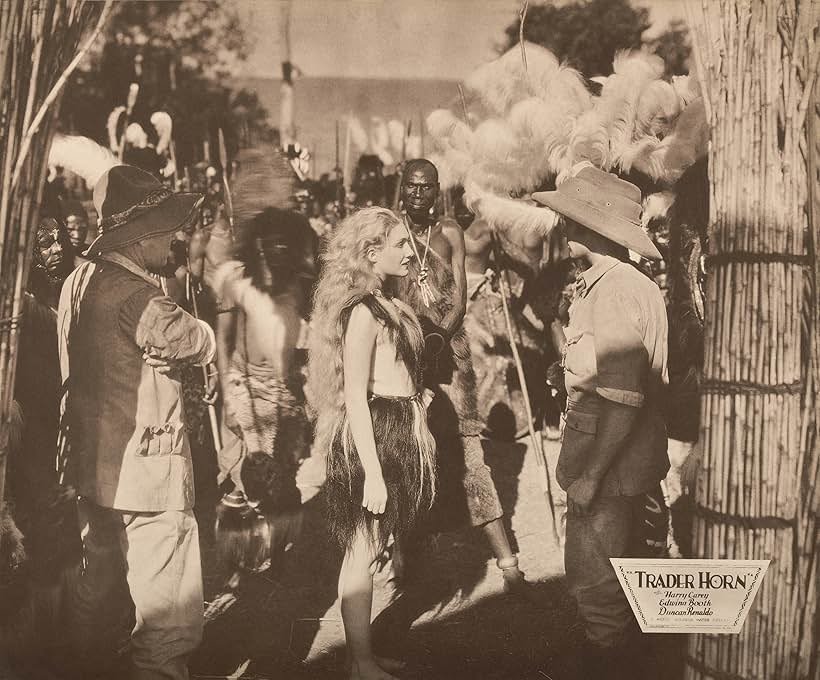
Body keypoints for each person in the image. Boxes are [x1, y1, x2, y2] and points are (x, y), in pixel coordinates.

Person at [58, 165, 216, 680]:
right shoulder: (138, 295)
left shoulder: (78, 281)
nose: (174, 243)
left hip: (92, 471)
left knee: (96, 594)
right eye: (167, 233)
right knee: (169, 619)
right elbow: (187, 340)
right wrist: (206, 342)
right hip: (147, 478)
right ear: (141, 235)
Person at [532, 162, 670, 679]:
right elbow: (612, 372)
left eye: (571, 219)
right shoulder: (620, 284)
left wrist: (591, 476)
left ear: (594, 228)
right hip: (629, 462)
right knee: (632, 576)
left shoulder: (613, 290)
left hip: (608, 466)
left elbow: (621, 399)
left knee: (598, 587)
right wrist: (563, 369)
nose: (564, 228)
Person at [307, 207, 436, 680]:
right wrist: (375, 473)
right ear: (370, 252)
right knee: (360, 549)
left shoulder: (386, 303)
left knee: (372, 545)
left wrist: (414, 396)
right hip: (373, 438)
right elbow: (355, 399)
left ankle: (361, 654)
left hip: (393, 431)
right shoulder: (363, 313)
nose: (410, 251)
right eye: (400, 244)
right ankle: (360, 663)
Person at [392, 159, 525, 586]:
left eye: (425, 188)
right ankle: (405, 552)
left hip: (449, 356)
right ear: (402, 189)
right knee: (407, 451)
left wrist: (437, 342)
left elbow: (461, 299)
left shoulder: (449, 232)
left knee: (469, 453)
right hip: (402, 355)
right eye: (411, 188)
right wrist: (410, 346)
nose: (417, 195)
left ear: (436, 192)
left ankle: (507, 562)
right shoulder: (389, 234)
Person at [212, 207, 310, 578]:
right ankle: (238, 553)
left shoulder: (300, 283)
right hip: (244, 387)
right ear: (259, 243)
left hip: (285, 391)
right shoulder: (236, 281)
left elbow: (306, 338)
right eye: (273, 241)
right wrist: (227, 397)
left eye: (287, 241)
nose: (281, 247)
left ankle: (279, 552)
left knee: (283, 476)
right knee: (249, 476)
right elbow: (222, 342)